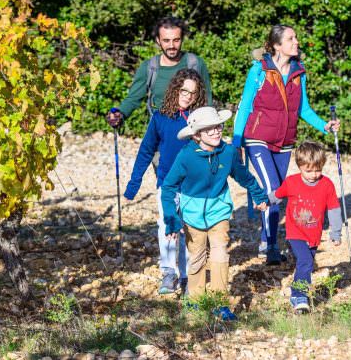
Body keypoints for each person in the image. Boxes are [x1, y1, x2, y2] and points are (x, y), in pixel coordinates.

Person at [233, 24, 340, 265]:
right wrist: (236, 142)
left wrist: (325, 125)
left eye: (296, 38)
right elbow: (245, 106)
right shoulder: (258, 70)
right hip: (257, 138)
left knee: (277, 194)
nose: (297, 42)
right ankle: (270, 246)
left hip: (284, 143)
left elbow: (303, 108)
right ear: (277, 45)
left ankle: (264, 240)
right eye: (291, 39)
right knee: (272, 188)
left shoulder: (298, 72)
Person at [161, 106, 268, 320]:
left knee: (220, 253)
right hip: (192, 215)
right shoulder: (185, 156)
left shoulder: (227, 152)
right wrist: (171, 219)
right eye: (209, 129)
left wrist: (259, 195)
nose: (216, 132)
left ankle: (220, 303)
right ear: (197, 135)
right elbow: (168, 187)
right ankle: (196, 301)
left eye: (218, 126)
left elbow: (243, 176)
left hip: (219, 211)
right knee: (198, 257)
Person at [124, 69, 207, 294]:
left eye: (193, 93)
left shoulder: (199, 120)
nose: (188, 96)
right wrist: (134, 183)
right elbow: (146, 150)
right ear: (175, 89)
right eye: (184, 90)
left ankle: (189, 276)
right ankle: (169, 272)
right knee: (167, 224)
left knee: (190, 228)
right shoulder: (160, 117)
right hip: (168, 183)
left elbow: (212, 147)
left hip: (194, 185)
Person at [268, 140, 343, 313]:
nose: (313, 175)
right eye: (308, 170)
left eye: (318, 170)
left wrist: (336, 232)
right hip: (295, 232)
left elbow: (333, 209)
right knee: (306, 261)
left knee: (305, 263)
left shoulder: (327, 185)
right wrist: (264, 201)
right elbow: (278, 195)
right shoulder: (292, 182)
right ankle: (299, 295)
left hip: (314, 234)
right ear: (299, 166)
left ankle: (298, 290)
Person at [106, 16, 212, 128]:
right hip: (160, 133)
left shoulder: (196, 64)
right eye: (166, 40)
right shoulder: (149, 67)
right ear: (158, 40)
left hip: (192, 131)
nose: (171, 46)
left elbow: (207, 100)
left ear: (182, 39)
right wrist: (120, 114)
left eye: (176, 40)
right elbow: (133, 98)